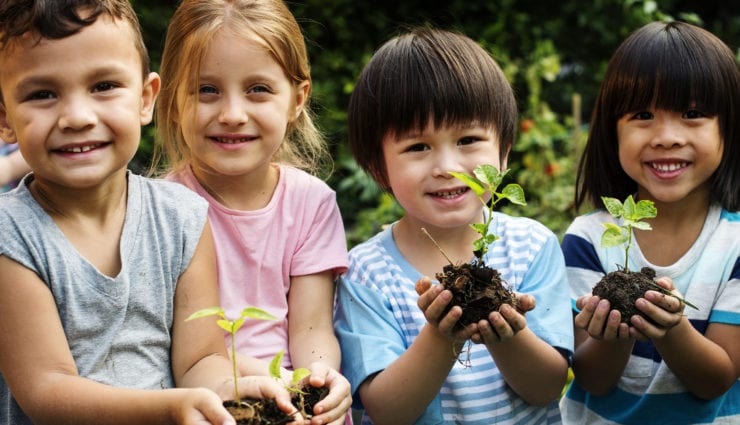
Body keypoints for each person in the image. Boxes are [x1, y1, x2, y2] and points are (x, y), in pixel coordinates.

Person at [0, 1, 297, 424]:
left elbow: (200, 361)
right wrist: (174, 407)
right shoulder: (11, 234)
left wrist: (236, 390)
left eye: (103, 86)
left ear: (145, 99)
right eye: (42, 94)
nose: (78, 117)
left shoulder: (182, 217)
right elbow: (47, 390)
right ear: (5, 118)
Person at [334, 27, 574, 425]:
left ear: (504, 152)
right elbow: (387, 412)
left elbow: (547, 386)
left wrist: (508, 334)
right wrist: (441, 333)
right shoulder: (366, 273)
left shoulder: (532, 246)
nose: (447, 167)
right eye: (417, 147)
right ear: (379, 168)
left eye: (468, 140)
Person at [153, 1, 352, 424]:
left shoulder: (311, 202)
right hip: (207, 402)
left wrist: (316, 378)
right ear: (172, 102)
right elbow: (183, 349)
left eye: (257, 89)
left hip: (292, 401)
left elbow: (311, 327)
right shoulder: (159, 209)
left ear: (297, 100)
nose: (232, 114)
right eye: (207, 90)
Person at [559, 21, 740, 424]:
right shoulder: (588, 240)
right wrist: (613, 333)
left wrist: (671, 328)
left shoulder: (736, 243)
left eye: (692, 114)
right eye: (643, 114)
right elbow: (592, 377)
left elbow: (717, 378)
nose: (666, 136)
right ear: (612, 131)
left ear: (728, 129)